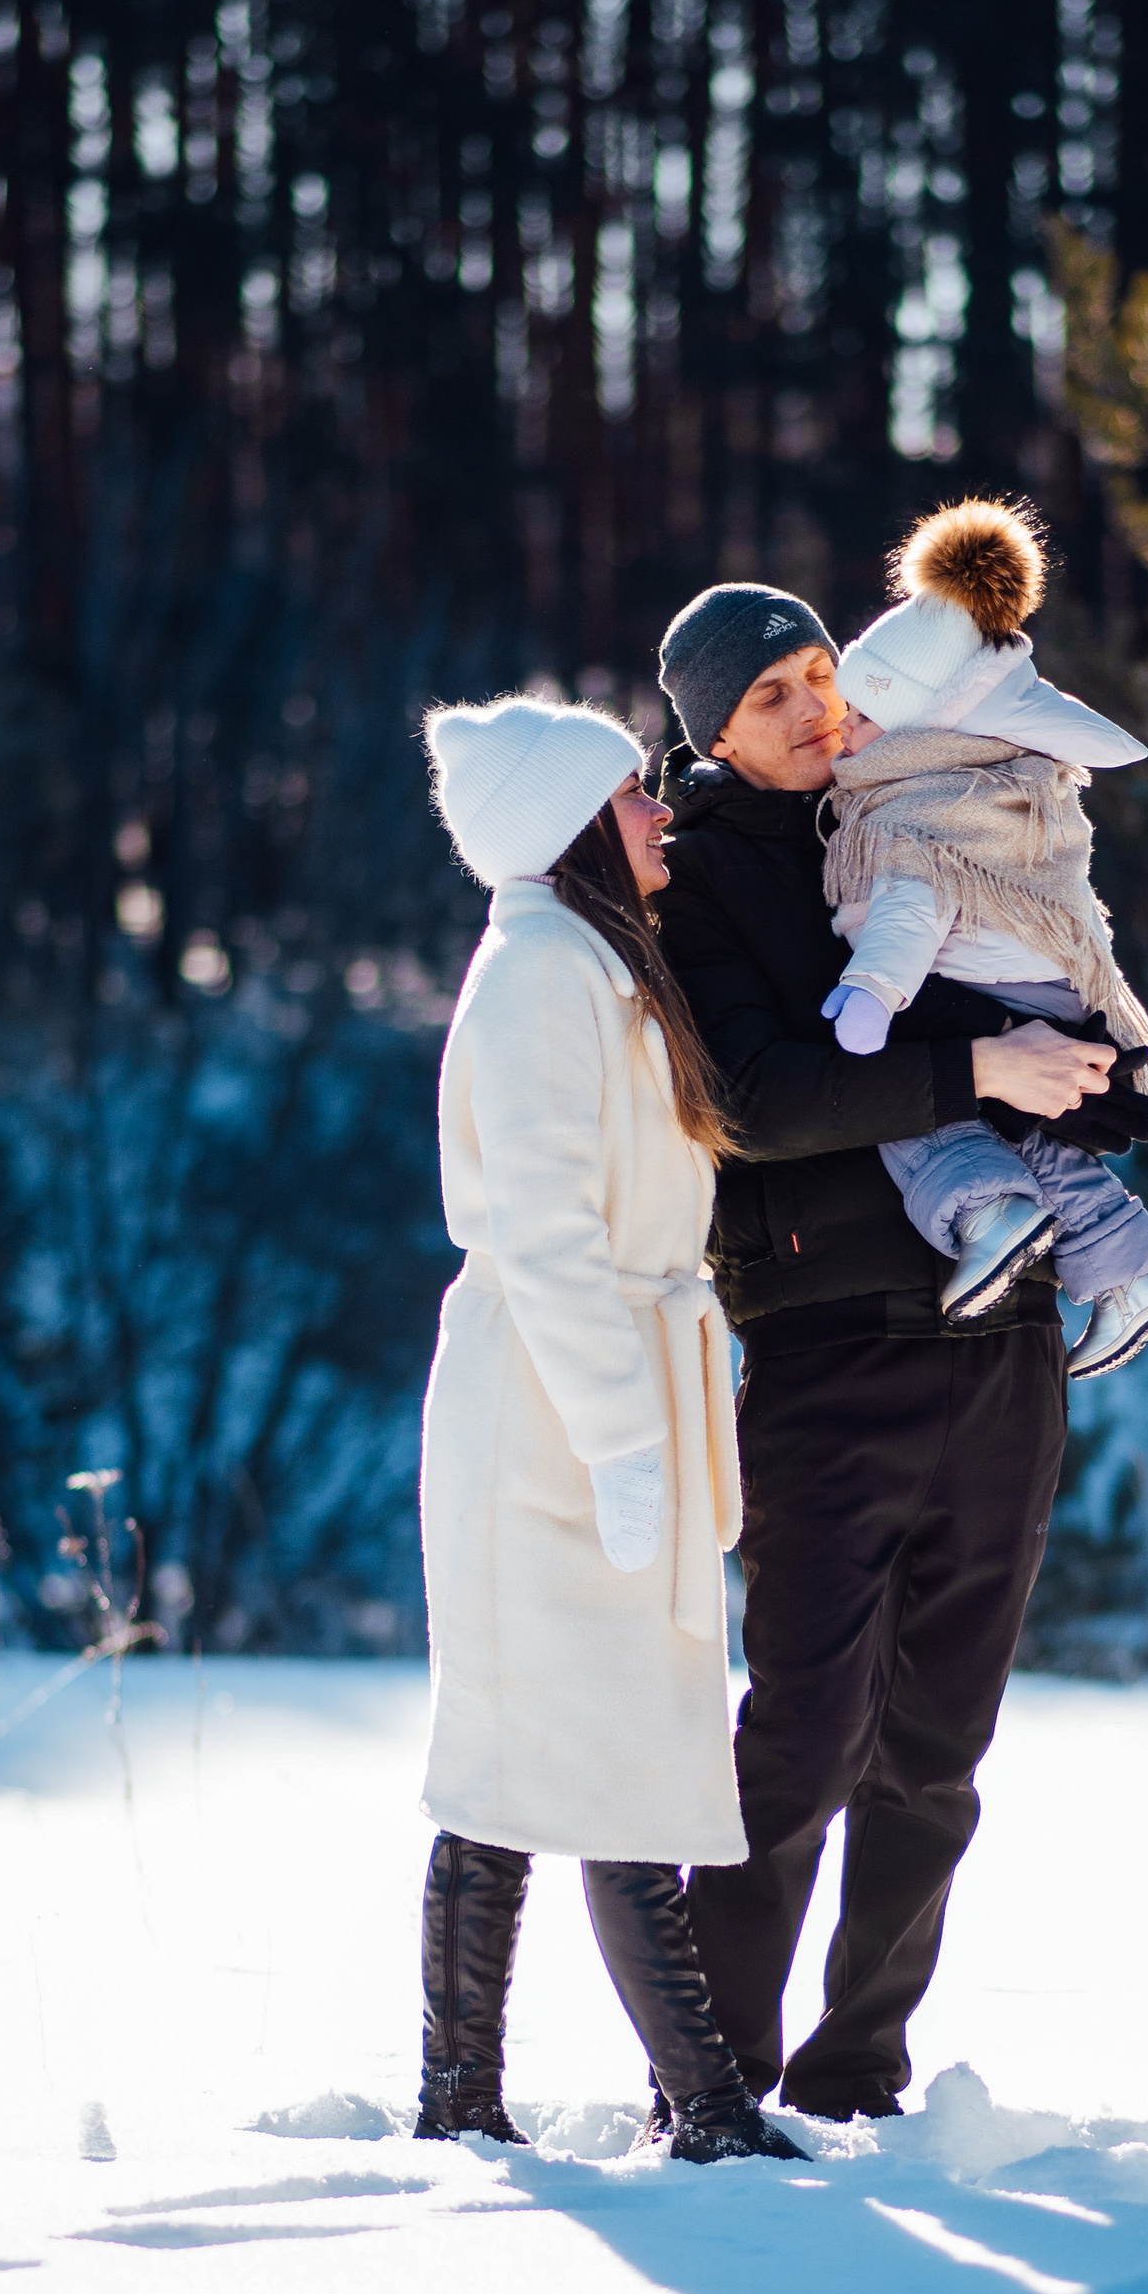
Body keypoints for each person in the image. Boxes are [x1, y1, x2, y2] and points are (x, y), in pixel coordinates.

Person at [651, 560, 1148, 2122]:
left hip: (1005, 1338)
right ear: (713, 731)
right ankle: (717, 2078)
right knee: (801, 1736)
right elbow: (753, 1096)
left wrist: (1091, 1069)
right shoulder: (702, 871)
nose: (814, 710)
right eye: (770, 696)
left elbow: (1097, 1052)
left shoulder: (944, 795)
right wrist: (983, 1070)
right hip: (827, 1340)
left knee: (939, 1744)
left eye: (821, 672)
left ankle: (857, 2070)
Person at [412, 691, 805, 2166]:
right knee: (531, 1743)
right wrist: (625, 1443)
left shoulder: (591, 962)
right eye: (635, 794)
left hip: (606, 1390)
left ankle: (675, 2102)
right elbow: (546, 1235)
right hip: (549, 1412)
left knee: (606, 1737)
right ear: (569, 826)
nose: (661, 811)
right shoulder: (534, 978)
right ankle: (530, 2099)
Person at [824, 497, 1148, 1384]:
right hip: (1049, 991)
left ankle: (989, 1217)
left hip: (984, 995)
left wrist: (870, 995)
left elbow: (912, 905)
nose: (843, 733)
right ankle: (1131, 1282)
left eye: (861, 720)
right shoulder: (1003, 781)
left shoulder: (915, 805)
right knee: (1044, 1143)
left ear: (926, 729)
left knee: (906, 1105)